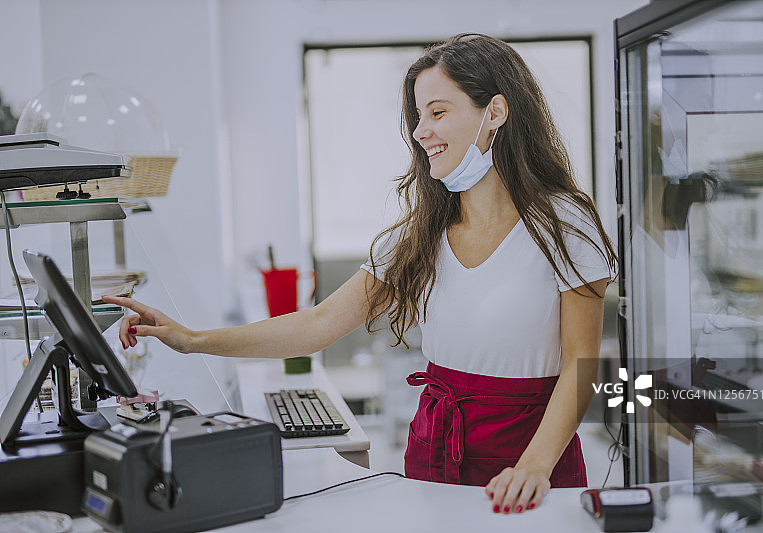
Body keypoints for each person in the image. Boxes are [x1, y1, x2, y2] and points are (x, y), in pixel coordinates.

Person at [104, 33, 616, 516]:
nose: (421, 132)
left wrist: (534, 465)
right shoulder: (420, 234)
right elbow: (319, 324)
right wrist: (192, 339)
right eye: (419, 116)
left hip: (531, 457)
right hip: (434, 452)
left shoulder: (564, 221)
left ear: (495, 112)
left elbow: (581, 364)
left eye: (438, 112)